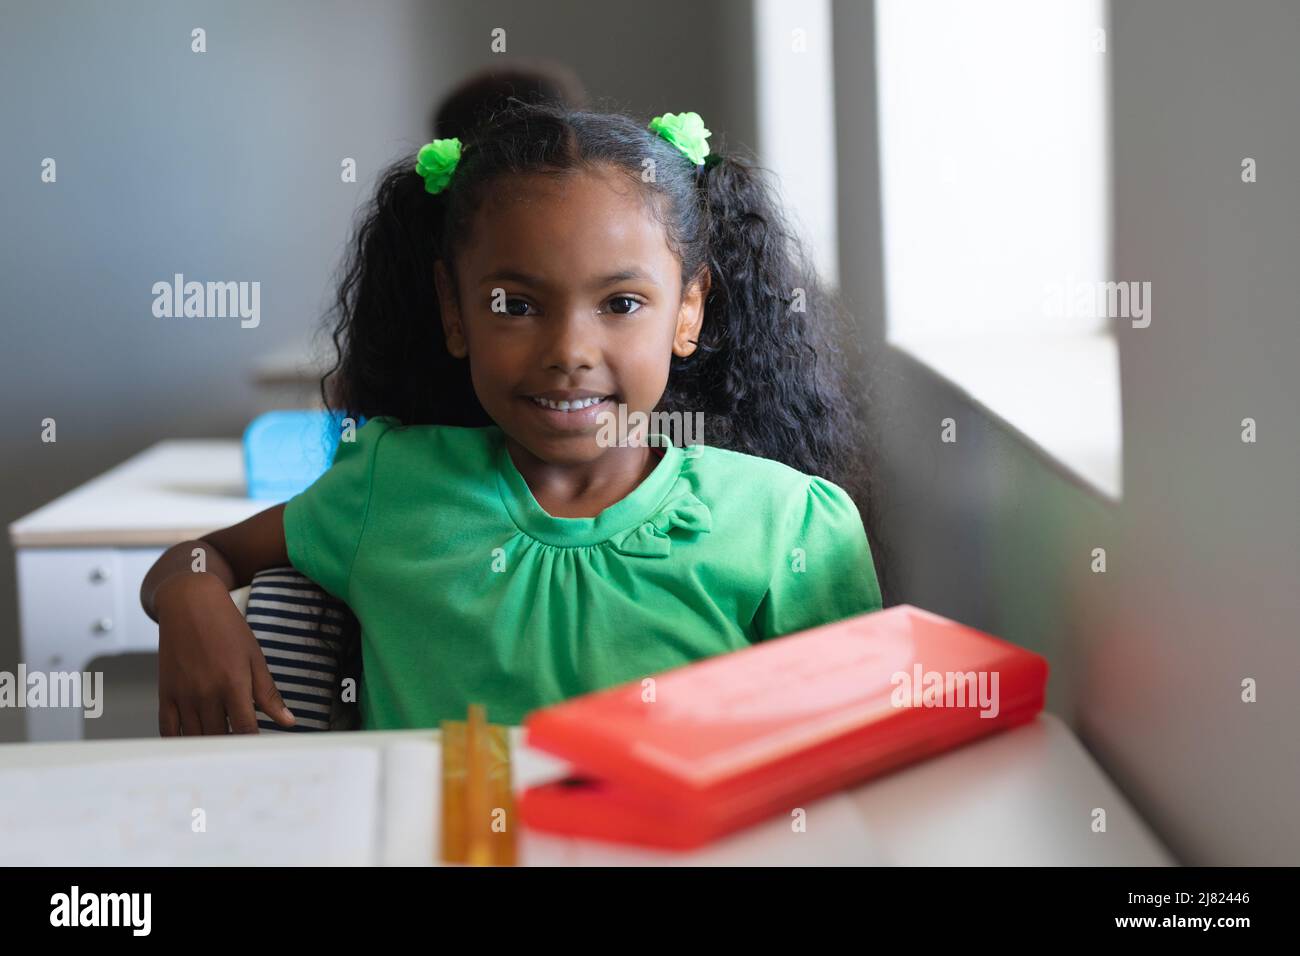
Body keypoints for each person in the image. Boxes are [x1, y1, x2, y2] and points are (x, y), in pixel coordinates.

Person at [141, 102, 886, 734]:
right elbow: (199, 559)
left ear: (688, 310)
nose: (569, 351)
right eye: (516, 306)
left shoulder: (788, 525)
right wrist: (191, 597)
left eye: (621, 304)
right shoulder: (390, 485)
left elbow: (854, 763)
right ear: (453, 311)